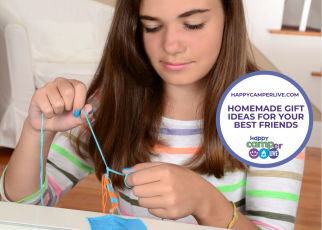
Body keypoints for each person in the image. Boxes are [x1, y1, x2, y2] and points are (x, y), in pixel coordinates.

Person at [0, 0, 305, 229]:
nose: (171, 46)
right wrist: (37, 132)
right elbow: (24, 204)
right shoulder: (109, 103)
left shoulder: (271, 113)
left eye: (193, 24)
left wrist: (206, 202)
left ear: (229, 19)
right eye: (152, 26)